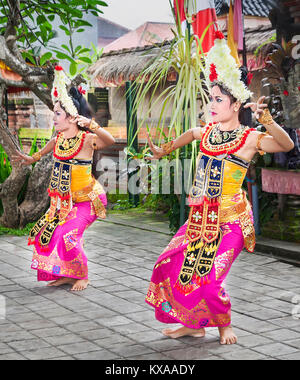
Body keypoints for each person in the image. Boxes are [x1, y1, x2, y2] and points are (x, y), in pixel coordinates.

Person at [144, 32, 294, 345]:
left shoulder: (249, 138)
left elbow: (286, 144)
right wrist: (163, 150)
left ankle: (223, 324)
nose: (211, 105)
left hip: (230, 222)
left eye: (217, 100)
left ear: (236, 103)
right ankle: (193, 325)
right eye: (210, 99)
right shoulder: (208, 132)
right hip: (198, 220)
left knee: (210, 279)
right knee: (168, 265)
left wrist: (266, 121)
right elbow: (190, 132)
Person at [12, 65, 115, 291]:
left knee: (68, 235)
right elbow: (49, 146)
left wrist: (92, 124)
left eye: (57, 113)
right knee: (45, 234)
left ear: (71, 117)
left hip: (88, 201)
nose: (54, 118)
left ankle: (83, 275)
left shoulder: (87, 139)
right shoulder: (59, 139)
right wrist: (33, 158)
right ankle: (67, 274)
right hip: (64, 204)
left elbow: (110, 141)